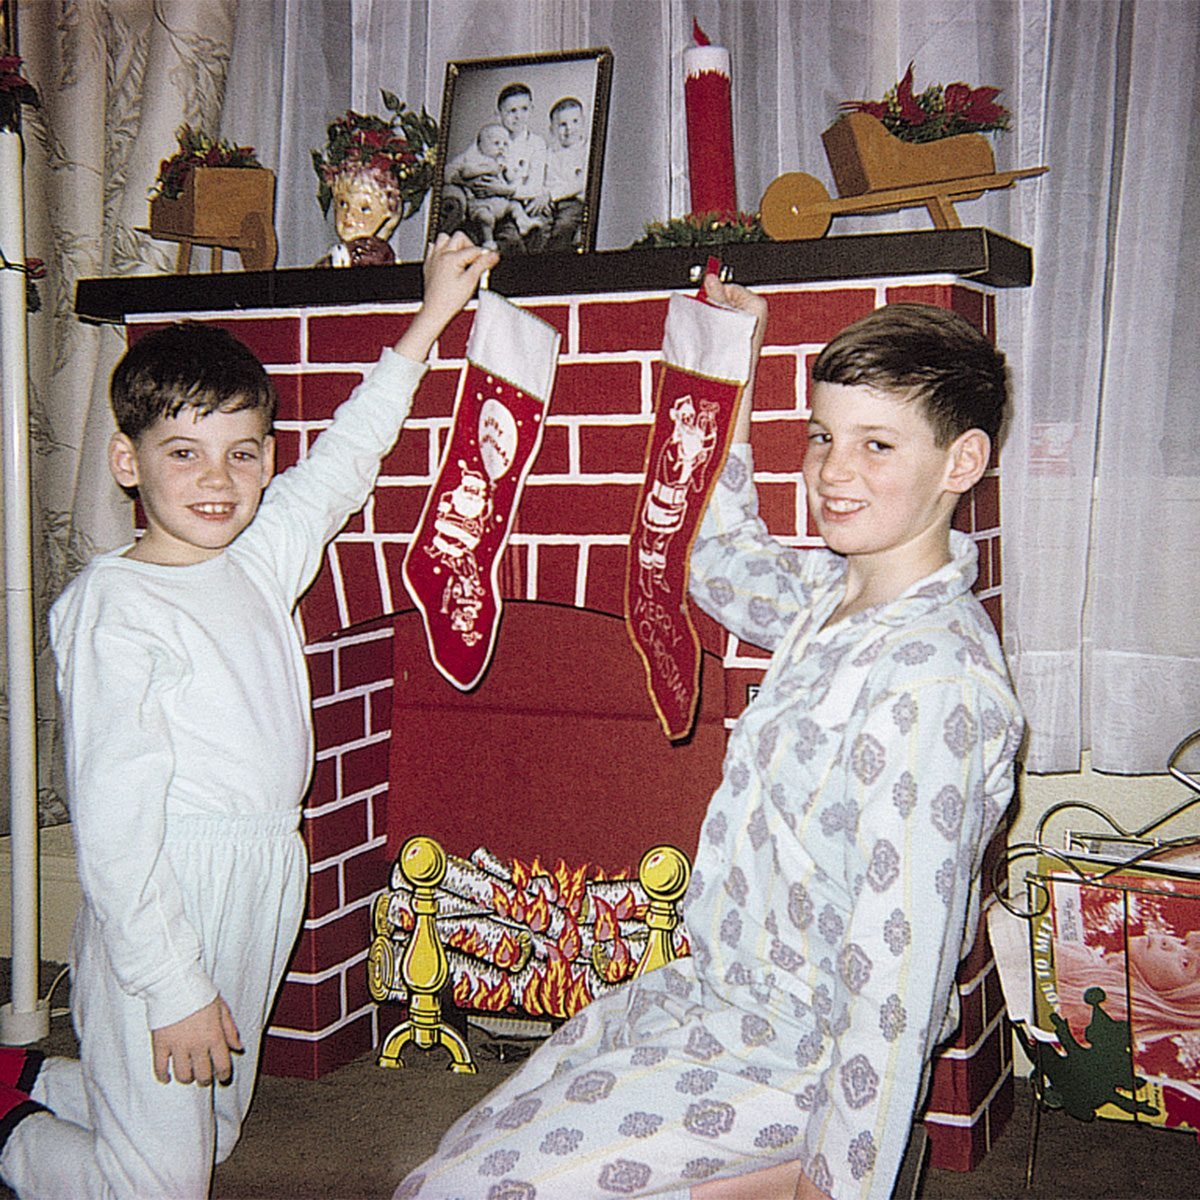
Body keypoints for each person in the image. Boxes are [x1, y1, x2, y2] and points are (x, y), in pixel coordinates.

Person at [394, 283, 1024, 1200]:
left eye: (876, 445)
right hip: (706, 1002)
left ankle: (767, 1176)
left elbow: (899, 979)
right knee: (456, 1160)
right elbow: (716, 554)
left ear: (962, 460)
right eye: (822, 435)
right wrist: (730, 359)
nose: (832, 472)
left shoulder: (938, 690)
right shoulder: (830, 599)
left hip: (800, 1060)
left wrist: (841, 1185)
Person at [0, 232, 498, 1200]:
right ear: (127, 461)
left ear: (267, 458)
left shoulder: (260, 561)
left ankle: (68, 1081)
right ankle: (17, 1138)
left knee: (213, 1130)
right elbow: (112, 828)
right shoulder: (117, 607)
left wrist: (432, 314)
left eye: (240, 453)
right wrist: (174, 984)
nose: (217, 479)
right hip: (165, 889)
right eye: (183, 453)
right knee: (162, 1184)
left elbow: (349, 456)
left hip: (261, 877)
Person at [444, 123, 545, 250]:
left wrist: (507, 172)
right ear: (481, 146)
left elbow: (513, 179)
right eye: (497, 144)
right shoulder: (475, 158)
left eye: (505, 144)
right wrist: (482, 173)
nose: (501, 147)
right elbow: (462, 171)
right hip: (482, 204)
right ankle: (489, 241)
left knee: (516, 207)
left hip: (502, 202)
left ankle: (524, 223)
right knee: (485, 219)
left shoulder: (507, 158)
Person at [493, 81, 550, 250]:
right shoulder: (491, 142)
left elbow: (535, 186)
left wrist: (505, 190)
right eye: (512, 111)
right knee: (511, 240)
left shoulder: (536, 143)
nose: (518, 116)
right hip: (502, 207)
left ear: (531, 109)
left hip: (529, 203)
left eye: (524, 109)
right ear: (499, 114)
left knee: (539, 233)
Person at [543, 96, 588, 251]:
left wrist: (552, 194)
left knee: (564, 224)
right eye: (562, 125)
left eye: (575, 121)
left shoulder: (587, 151)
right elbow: (546, 180)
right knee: (540, 226)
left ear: (583, 122)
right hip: (552, 202)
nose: (569, 129)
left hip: (575, 202)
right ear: (552, 129)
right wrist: (546, 198)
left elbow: (581, 183)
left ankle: (556, 261)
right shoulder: (550, 154)